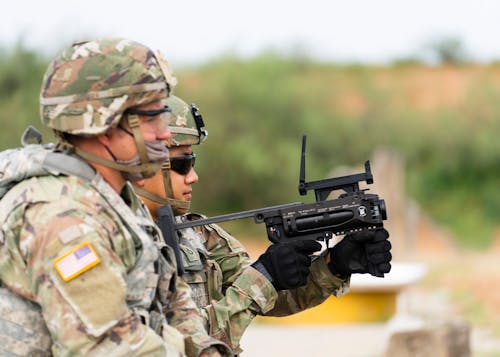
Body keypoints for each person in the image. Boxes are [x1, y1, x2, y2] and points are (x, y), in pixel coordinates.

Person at [0, 38, 230, 356]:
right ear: (104, 127)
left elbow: (172, 306)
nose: (165, 134)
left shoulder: (116, 198)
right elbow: (110, 347)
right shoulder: (63, 218)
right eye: (151, 119)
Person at [134, 95, 392, 353]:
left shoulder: (198, 234)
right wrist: (263, 276)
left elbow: (272, 299)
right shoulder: (122, 243)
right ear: (142, 165)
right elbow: (178, 343)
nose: (194, 177)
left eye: (194, 162)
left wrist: (334, 265)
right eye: (183, 164)